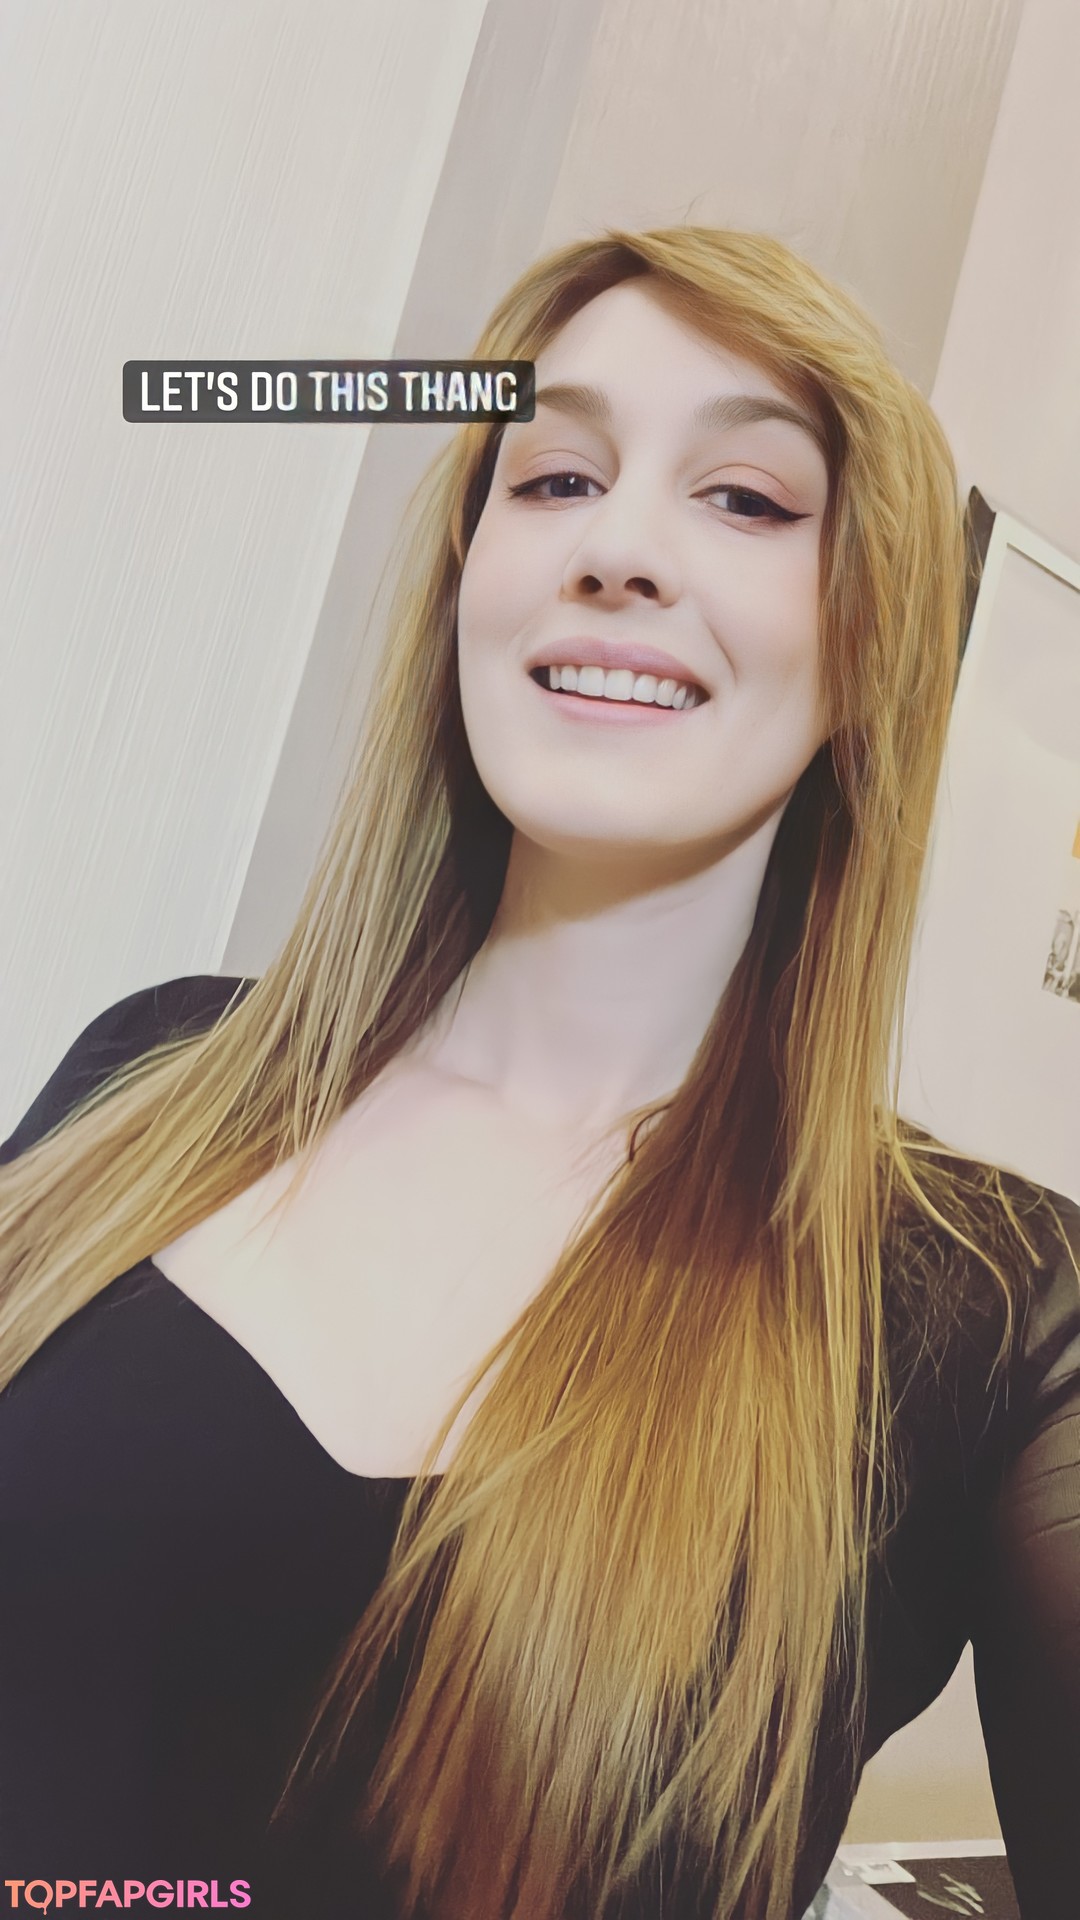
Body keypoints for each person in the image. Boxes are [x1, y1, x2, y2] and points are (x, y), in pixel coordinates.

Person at [1, 227, 1077, 1920]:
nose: (616, 549)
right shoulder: (150, 1072)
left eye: (746, 498)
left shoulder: (986, 1308)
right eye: (556, 477)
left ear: (870, 643)